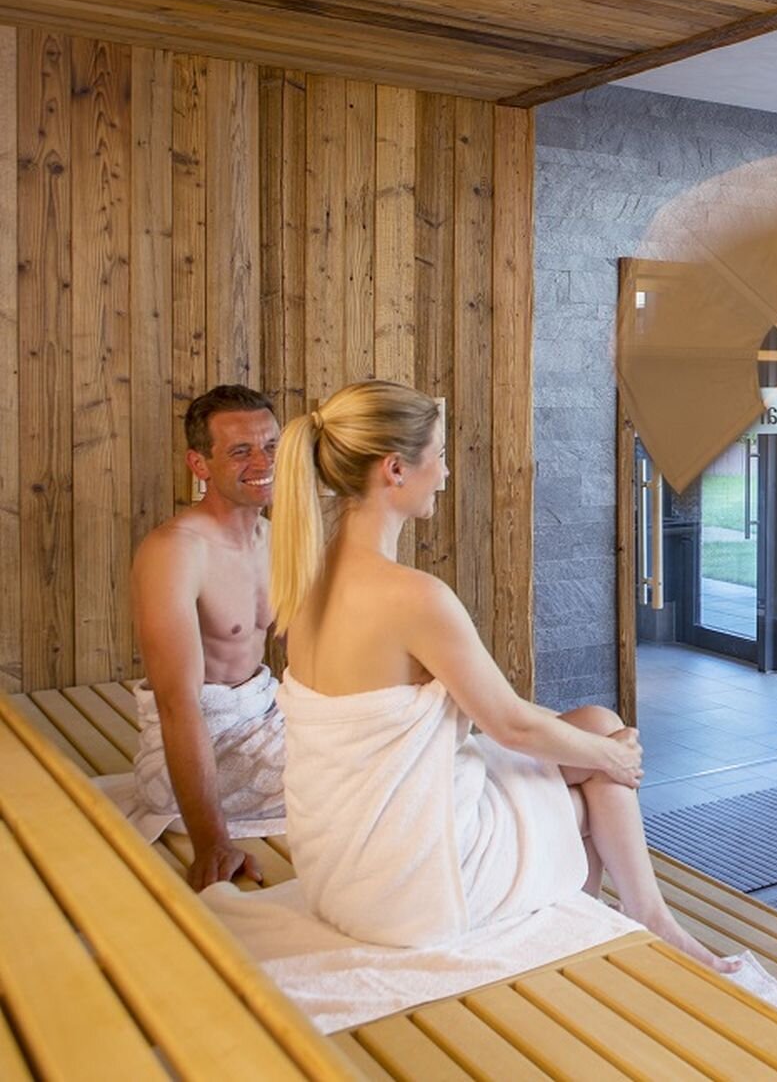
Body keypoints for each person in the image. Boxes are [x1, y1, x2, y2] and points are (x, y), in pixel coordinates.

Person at [266, 379, 731, 969]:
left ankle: (636, 913)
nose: (444, 474)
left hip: (339, 873)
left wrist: (600, 745)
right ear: (395, 469)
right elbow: (511, 726)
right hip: (411, 889)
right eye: (438, 456)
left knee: (596, 724)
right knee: (600, 778)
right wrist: (612, 759)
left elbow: (497, 715)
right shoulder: (413, 598)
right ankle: (636, 920)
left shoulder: (305, 578)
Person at [130, 384, 288, 887]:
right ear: (200, 464)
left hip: (263, 717)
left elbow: (314, 656)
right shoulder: (175, 551)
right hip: (204, 742)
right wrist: (212, 843)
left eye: (271, 446)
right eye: (240, 451)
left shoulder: (273, 540)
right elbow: (178, 702)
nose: (263, 462)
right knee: (374, 773)